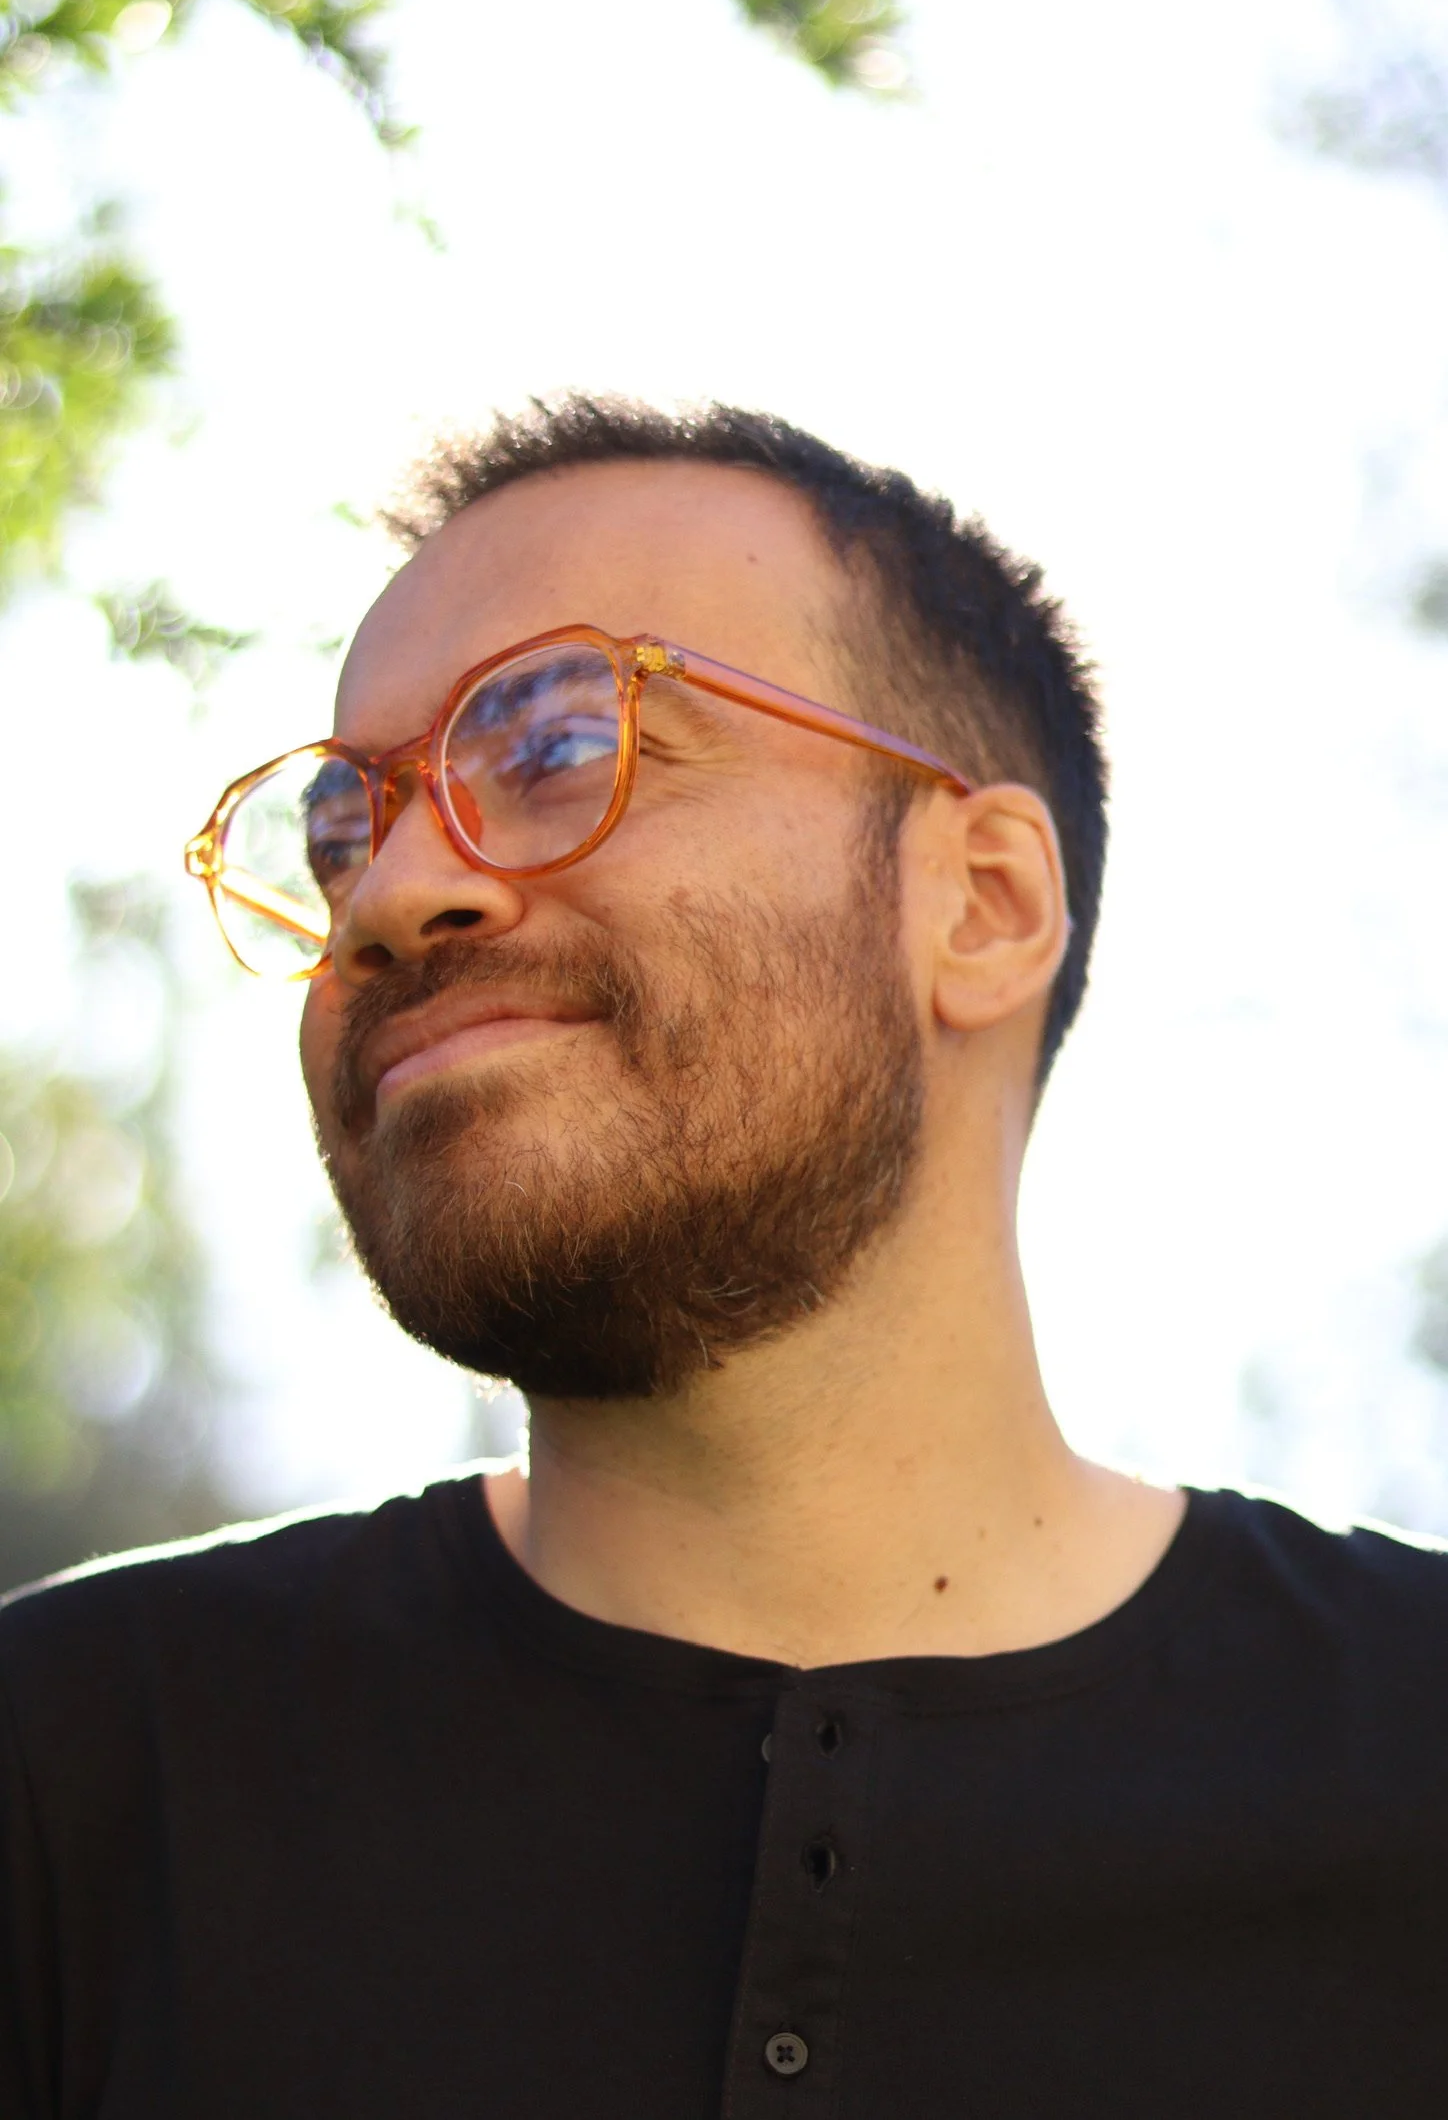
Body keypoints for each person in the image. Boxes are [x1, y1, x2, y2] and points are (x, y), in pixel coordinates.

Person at [3, 396, 1446, 2120]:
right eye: (343, 828)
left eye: (558, 743)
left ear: (983, 903)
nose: (384, 894)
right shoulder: (72, 1782)